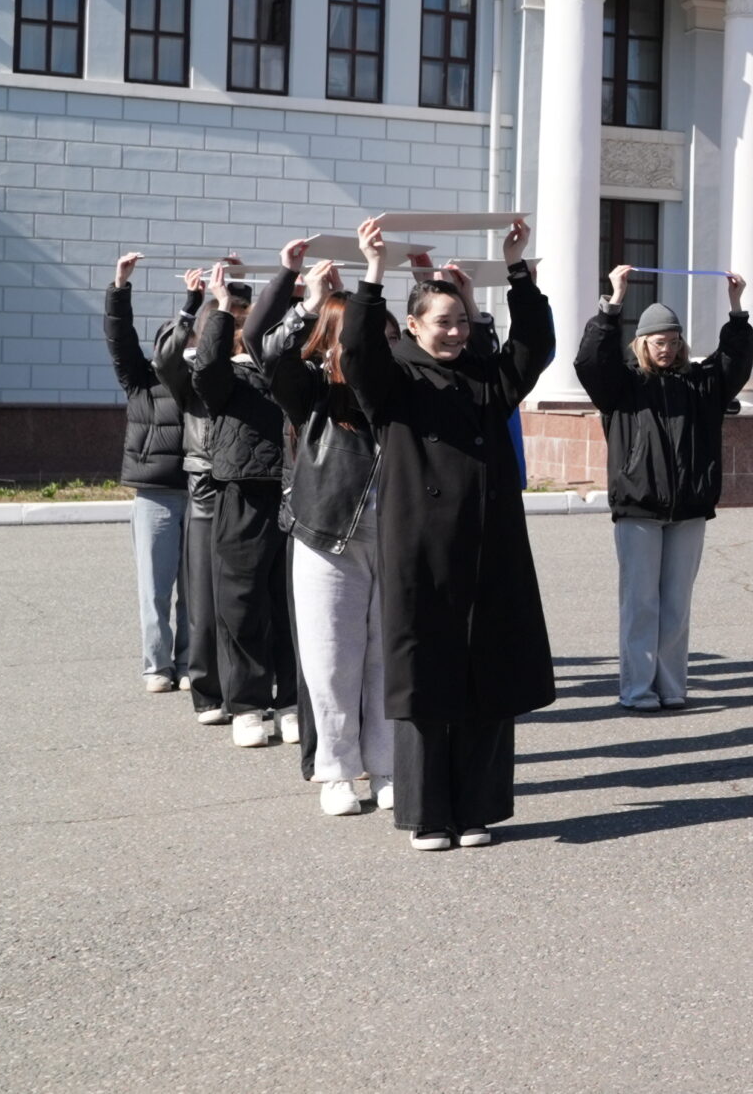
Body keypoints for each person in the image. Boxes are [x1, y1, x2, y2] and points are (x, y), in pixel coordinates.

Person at [340, 216, 554, 851]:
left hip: (491, 550)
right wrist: (373, 272)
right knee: (428, 683)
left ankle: (478, 810)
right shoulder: (394, 380)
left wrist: (517, 271)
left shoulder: (486, 378)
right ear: (413, 325)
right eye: (443, 322)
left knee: (488, 679)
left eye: (462, 321)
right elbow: (355, 351)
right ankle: (428, 816)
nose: (456, 331)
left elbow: (534, 348)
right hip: (421, 553)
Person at [576, 263, 753, 711]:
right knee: (641, 604)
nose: (668, 349)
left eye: (674, 342)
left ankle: (672, 687)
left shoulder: (699, 382)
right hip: (639, 508)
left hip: (690, 508)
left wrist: (736, 311)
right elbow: (591, 361)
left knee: (676, 604)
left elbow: (734, 364)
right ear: (643, 343)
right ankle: (637, 689)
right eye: (660, 342)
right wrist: (613, 303)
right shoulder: (622, 385)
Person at [250, 246, 391, 815]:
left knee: (386, 658)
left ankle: (385, 768)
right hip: (326, 534)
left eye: (379, 335)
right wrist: (303, 302)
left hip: (395, 537)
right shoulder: (312, 393)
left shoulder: (396, 389)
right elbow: (268, 353)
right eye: (358, 335)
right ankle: (335, 773)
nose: (370, 347)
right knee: (331, 660)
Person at [190, 261, 297, 751]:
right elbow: (205, 364)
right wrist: (219, 307)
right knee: (242, 603)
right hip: (244, 494)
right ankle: (249, 705)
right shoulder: (225, 377)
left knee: (290, 606)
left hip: (295, 493)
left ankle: (293, 700)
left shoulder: (286, 370)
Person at [104, 251, 190, 695]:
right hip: (155, 493)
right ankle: (156, 665)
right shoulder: (139, 379)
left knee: (194, 591)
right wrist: (120, 286)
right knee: (154, 588)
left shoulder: (200, 382)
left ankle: (190, 661)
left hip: (199, 489)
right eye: (167, 340)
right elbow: (119, 338)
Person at [153, 266, 224, 724]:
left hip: (253, 486)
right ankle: (207, 690)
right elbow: (162, 359)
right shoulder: (191, 374)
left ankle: (253, 688)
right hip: (204, 485)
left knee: (249, 597)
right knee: (201, 596)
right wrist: (192, 306)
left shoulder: (251, 366)